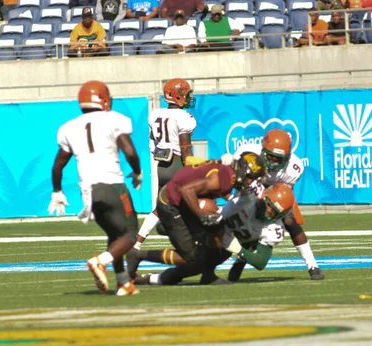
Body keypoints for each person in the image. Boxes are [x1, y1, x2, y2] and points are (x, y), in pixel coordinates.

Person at [48, 80, 144, 295]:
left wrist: (57, 191)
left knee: (115, 234)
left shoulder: (69, 127)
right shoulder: (114, 120)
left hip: (89, 191)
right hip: (111, 184)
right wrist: (137, 172)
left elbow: (58, 165)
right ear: (104, 99)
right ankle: (100, 261)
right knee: (130, 234)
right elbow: (129, 152)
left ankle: (123, 283)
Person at [126, 152, 267, 284]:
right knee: (191, 257)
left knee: (213, 234)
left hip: (180, 200)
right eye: (251, 178)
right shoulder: (224, 179)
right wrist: (201, 216)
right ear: (244, 172)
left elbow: (192, 167)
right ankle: (138, 255)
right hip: (171, 204)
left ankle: (208, 275)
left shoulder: (227, 173)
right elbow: (186, 190)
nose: (250, 183)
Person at [136, 183, 295, 286]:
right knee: (186, 252)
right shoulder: (250, 196)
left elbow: (261, 261)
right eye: (268, 206)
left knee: (190, 267)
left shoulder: (274, 228)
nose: (268, 212)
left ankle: (146, 278)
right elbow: (236, 178)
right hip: (213, 224)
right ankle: (142, 252)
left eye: (274, 212)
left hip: (224, 246)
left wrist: (238, 250)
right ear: (263, 198)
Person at [226, 129, 325, 281]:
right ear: (263, 150)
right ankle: (240, 260)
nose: (273, 162)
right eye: (270, 156)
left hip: (275, 192)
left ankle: (312, 265)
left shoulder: (294, 168)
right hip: (251, 188)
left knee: (290, 222)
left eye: (278, 159)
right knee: (248, 221)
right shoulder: (249, 153)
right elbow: (238, 180)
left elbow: (284, 193)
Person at [133, 78, 196, 251]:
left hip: (163, 166)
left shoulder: (156, 115)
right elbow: (185, 150)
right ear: (177, 95)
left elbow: (152, 145)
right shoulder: (184, 117)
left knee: (160, 207)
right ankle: (215, 246)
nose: (189, 96)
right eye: (186, 93)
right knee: (196, 204)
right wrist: (192, 170)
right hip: (178, 164)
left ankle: (137, 243)